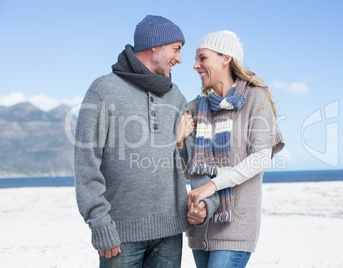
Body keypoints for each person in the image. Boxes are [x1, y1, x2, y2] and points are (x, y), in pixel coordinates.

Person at [74, 15, 195, 267]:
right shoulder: (103, 90)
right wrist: (100, 225)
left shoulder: (176, 97)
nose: (179, 59)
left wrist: (182, 143)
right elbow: (86, 164)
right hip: (120, 235)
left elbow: (187, 167)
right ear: (155, 45)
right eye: (176, 49)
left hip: (170, 234)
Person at [184, 30, 285, 267]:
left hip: (236, 227)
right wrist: (180, 141)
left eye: (202, 58)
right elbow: (187, 171)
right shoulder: (193, 108)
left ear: (225, 58)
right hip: (201, 227)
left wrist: (212, 185)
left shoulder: (255, 99)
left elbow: (260, 158)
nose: (195, 66)